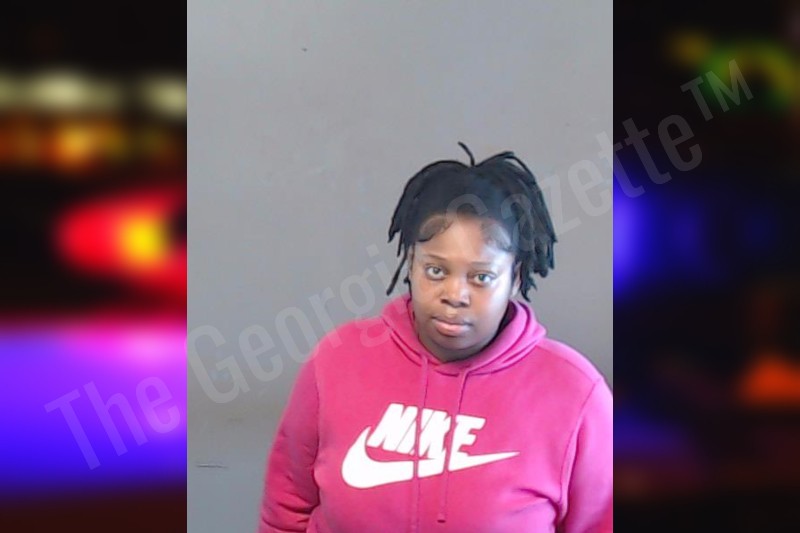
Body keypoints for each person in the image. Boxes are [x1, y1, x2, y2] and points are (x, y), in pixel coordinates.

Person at [258, 144, 613, 532]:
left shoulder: (576, 395)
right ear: (410, 263)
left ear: (515, 278)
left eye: (481, 277)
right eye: (436, 271)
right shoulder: (336, 361)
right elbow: (286, 509)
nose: (455, 295)